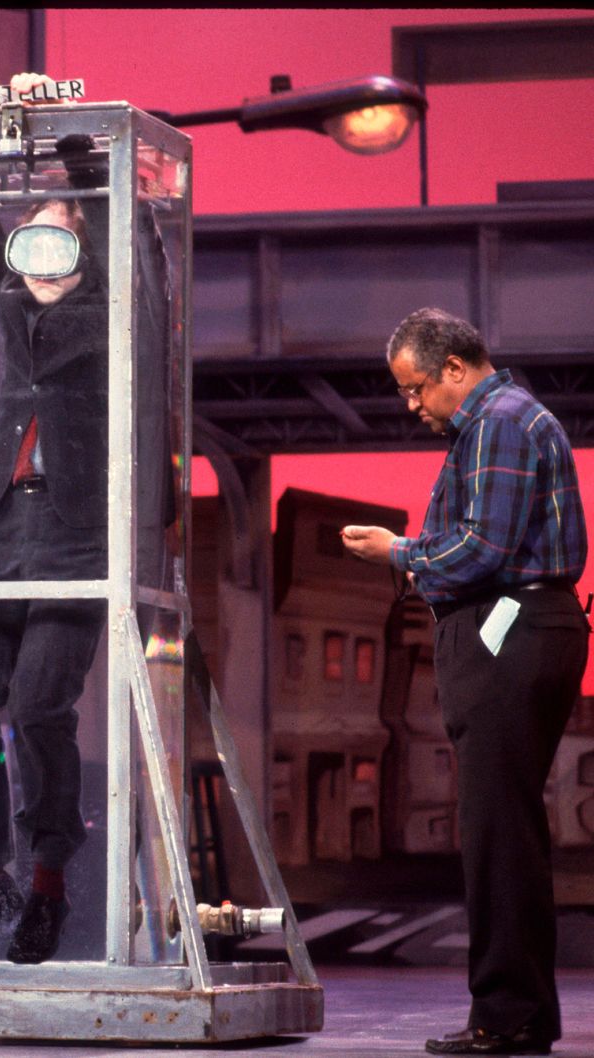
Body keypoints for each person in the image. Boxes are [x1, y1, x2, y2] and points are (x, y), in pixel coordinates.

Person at [342, 308, 588, 1057]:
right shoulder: (498, 422)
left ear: (455, 368)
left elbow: (483, 547)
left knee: (496, 832)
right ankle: (521, 1012)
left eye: (416, 388)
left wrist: (401, 552)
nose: (412, 405)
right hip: (514, 626)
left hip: (509, 626)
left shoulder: (500, 422)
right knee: (505, 829)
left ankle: (506, 1016)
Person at [0, 72, 121, 966]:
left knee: (41, 704)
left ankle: (48, 876)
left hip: (79, 526)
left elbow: (118, 219)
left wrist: (67, 139)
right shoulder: (15, 298)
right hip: (6, 521)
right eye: (34, 220)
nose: (42, 228)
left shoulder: (111, 300)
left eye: (61, 215)